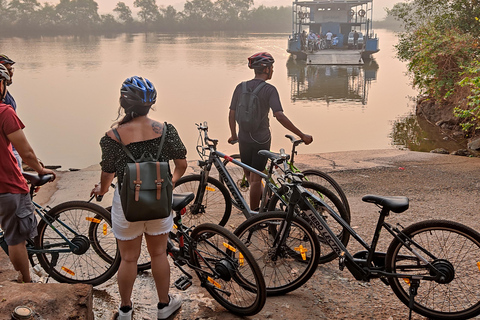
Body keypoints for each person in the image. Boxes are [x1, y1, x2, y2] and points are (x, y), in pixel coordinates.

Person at [91, 76, 187, 320]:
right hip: (159, 202)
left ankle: (125, 310)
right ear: (151, 104)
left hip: (126, 205)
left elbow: (108, 171)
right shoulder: (165, 130)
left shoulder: (112, 136)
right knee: (158, 254)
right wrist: (169, 184)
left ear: (123, 103)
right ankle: (164, 306)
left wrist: (102, 190)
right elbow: (181, 164)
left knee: (129, 258)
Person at [228, 52, 313, 210]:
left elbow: (232, 113)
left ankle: (266, 202)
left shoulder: (240, 87)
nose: (273, 70)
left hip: (244, 136)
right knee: (255, 178)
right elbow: (279, 115)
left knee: (249, 173)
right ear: (266, 69)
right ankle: (255, 217)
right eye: (272, 67)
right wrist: (301, 135)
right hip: (261, 138)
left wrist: (233, 134)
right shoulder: (269, 90)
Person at [0, 64, 56, 284]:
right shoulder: (5, 112)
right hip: (8, 185)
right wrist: (40, 169)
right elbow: (26, 151)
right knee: (15, 240)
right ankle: (26, 282)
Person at [0, 54, 21, 170]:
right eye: (8, 69)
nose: (11, 72)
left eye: (11, 69)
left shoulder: (6, 94)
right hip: (9, 150)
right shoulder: (4, 104)